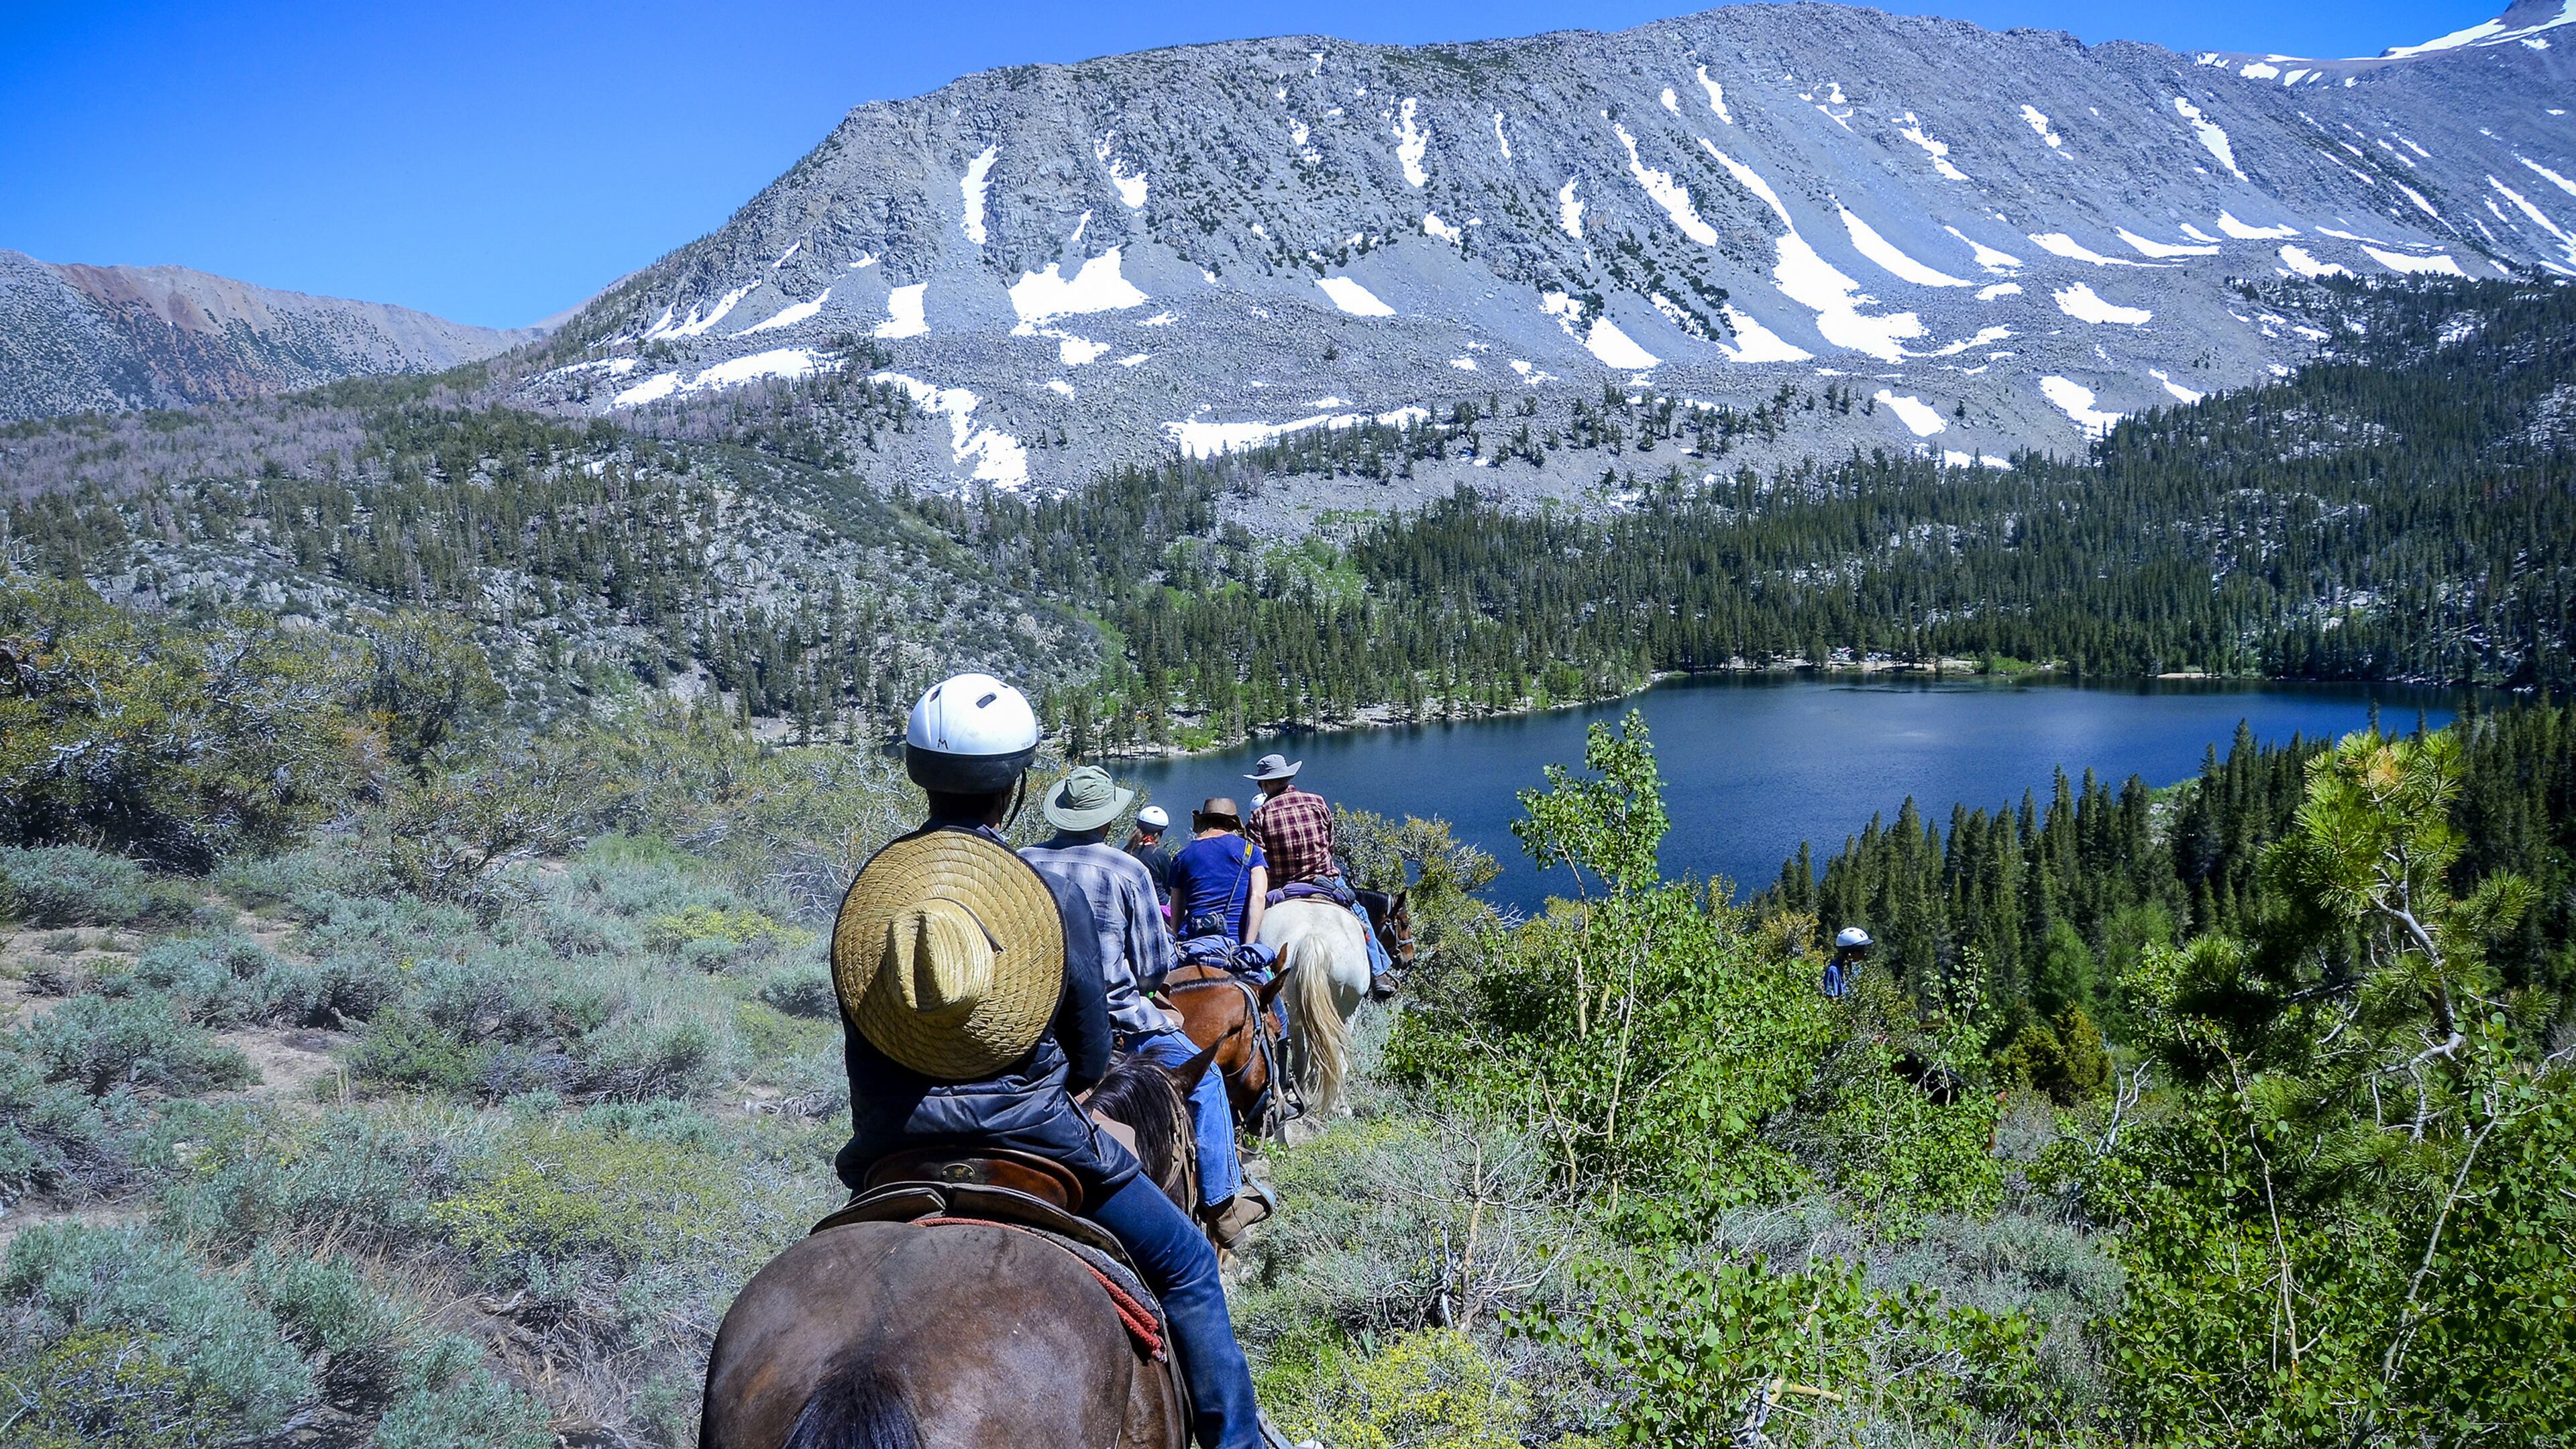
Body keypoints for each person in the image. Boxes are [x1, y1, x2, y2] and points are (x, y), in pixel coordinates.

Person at [829, 674, 1261, 1449]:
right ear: (1015, 787)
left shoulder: (873, 906)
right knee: (1192, 1265)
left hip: (890, 1146)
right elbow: (1093, 1048)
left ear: (917, 771)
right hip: (1036, 1138)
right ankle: (1239, 1441)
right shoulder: (1036, 899)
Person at [1023, 767, 1265, 1246]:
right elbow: (1155, 968)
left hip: (1037, 1022)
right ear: (1108, 821)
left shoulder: (1022, 861)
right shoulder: (1126, 869)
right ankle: (1224, 1203)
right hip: (1120, 1020)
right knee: (1210, 1081)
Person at [1243, 754, 1393, 980]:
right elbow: (1330, 844)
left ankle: (1246, 968)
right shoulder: (1317, 802)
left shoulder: (1260, 815)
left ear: (1265, 784)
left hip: (1283, 888)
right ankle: (1379, 971)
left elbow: (1258, 863)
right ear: (1287, 778)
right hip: (1326, 882)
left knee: (1249, 919)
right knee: (1358, 913)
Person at [1170, 797, 1267, 945]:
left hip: (1192, 940)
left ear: (1202, 822)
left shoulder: (1182, 856)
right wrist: (1248, 945)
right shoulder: (1250, 851)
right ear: (1232, 824)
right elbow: (1258, 897)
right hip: (1234, 941)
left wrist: (1176, 938)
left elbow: (1176, 908)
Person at [1124, 803, 1177, 897]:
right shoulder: (1160, 855)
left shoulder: (1127, 850)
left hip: (1132, 898)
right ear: (1159, 833)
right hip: (1158, 901)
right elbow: (1170, 884)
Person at [1824, 925, 1872, 999]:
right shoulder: (1833, 972)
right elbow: (1832, 1000)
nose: (1863, 954)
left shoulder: (1856, 969)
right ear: (1848, 952)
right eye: (1860, 951)